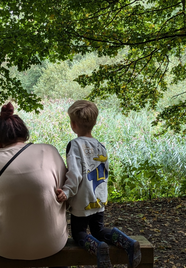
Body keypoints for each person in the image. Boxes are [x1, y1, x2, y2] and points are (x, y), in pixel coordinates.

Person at [0, 102, 68, 260]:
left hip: (1, 246)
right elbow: (64, 189)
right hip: (52, 243)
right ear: (25, 135)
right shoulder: (49, 151)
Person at [56, 100, 142, 268]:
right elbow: (104, 172)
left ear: (73, 125)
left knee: (80, 233)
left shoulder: (75, 145)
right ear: (94, 123)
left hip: (82, 200)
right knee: (99, 231)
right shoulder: (100, 146)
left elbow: (75, 173)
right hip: (98, 198)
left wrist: (67, 191)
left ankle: (98, 249)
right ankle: (129, 243)